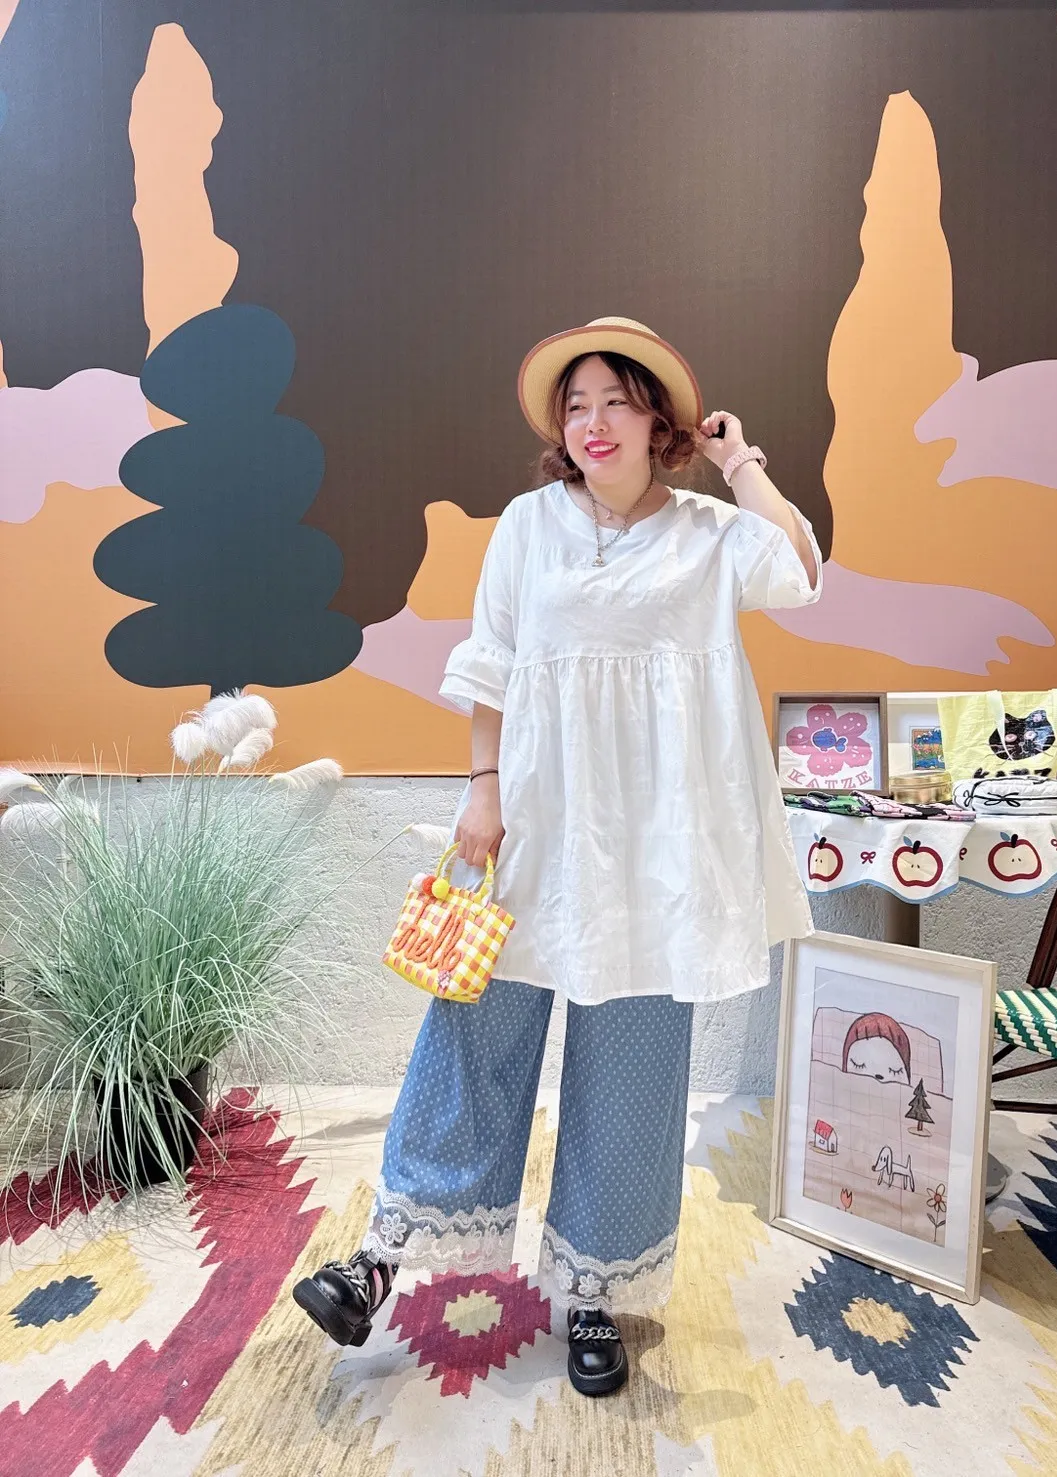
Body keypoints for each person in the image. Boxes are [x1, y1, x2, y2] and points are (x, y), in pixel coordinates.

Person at [294, 315, 823, 1396]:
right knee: (471, 1026)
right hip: (537, 817)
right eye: (575, 406)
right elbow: (490, 662)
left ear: (659, 421)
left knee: (632, 1063)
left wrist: (742, 465)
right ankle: (380, 1257)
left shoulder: (709, 533)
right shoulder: (528, 525)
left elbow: (801, 572)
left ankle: (593, 1289)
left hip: (660, 844)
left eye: (616, 401)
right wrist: (482, 788)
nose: (593, 423)